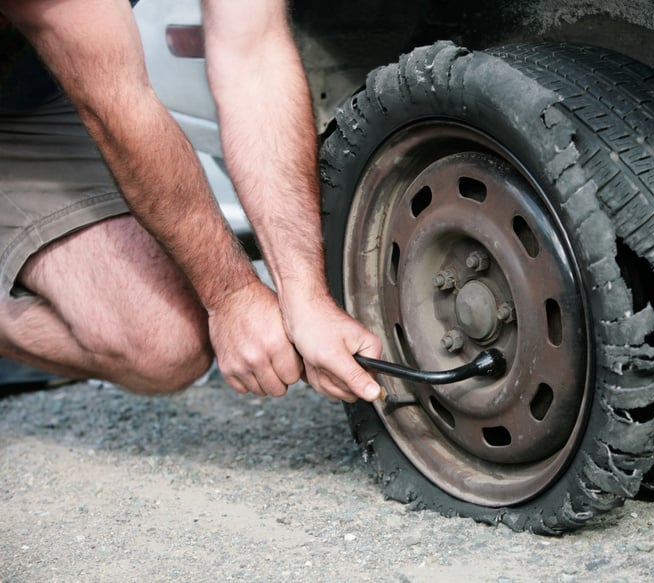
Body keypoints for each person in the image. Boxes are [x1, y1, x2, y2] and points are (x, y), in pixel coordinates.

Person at [0, 0, 383, 402]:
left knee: (163, 344)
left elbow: (253, 60)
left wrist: (305, 298)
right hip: (80, 83)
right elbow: (117, 105)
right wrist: (232, 296)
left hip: (32, 87)